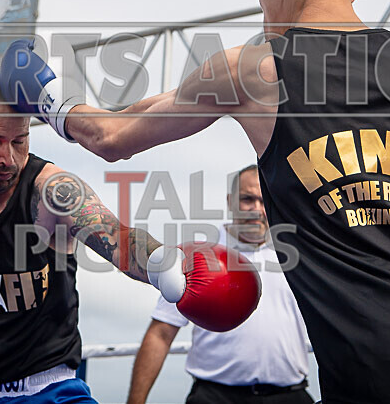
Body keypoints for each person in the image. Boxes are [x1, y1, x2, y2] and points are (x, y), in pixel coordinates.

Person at [7, 0, 390, 404]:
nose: (264, 15)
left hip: (373, 355)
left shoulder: (255, 70)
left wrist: (47, 99)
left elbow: (110, 138)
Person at [0, 63, 261, 403]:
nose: (8, 158)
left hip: (44, 390)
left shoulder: (51, 191)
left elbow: (118, 238)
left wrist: (169, 269)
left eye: (19, 140)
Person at [127, 165, 313, 404]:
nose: (257, 209)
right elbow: (161, 333)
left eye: (264, 200)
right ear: (230, 201)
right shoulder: (197, 255)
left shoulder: (300, 255)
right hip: (215, 397)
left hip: (290, 396)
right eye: (247, 199)